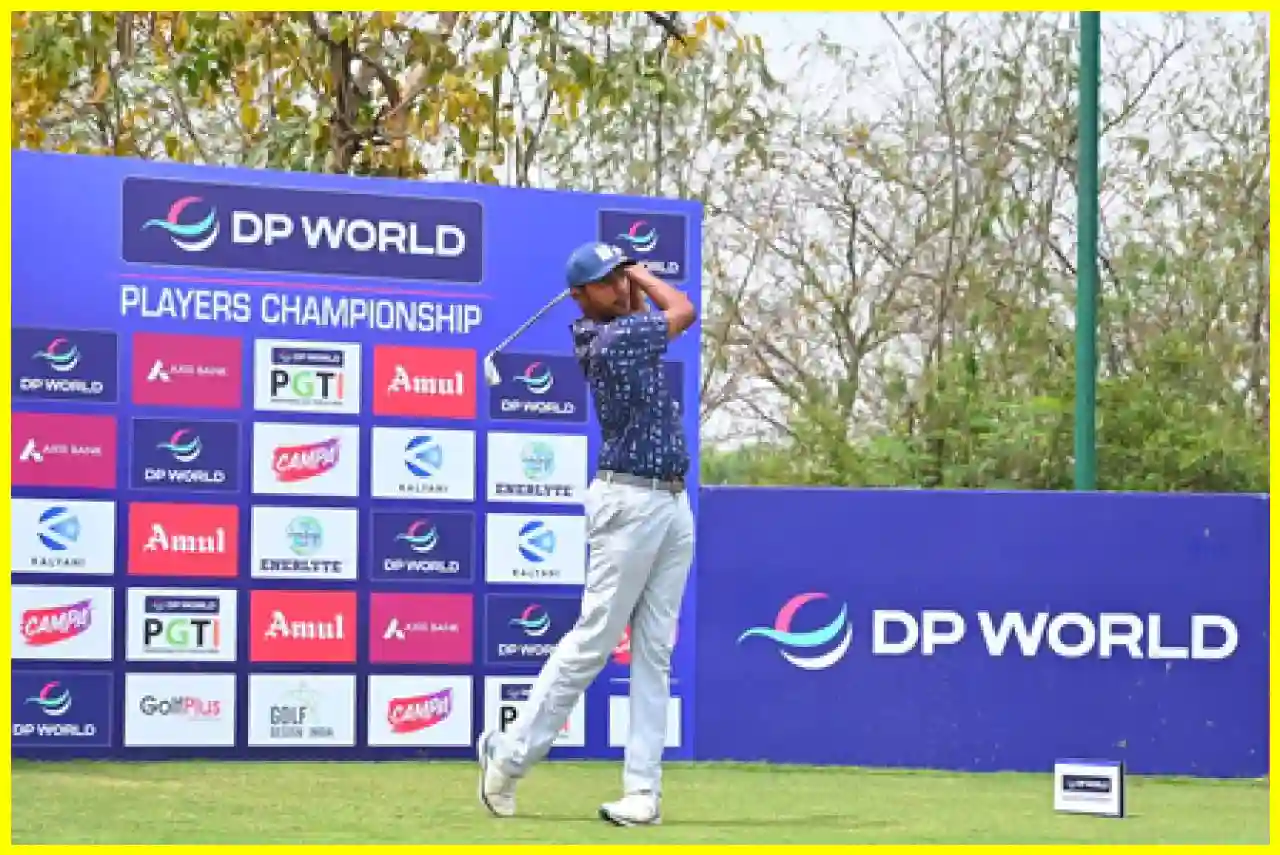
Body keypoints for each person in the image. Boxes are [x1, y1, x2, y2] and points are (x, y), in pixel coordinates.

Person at [477, 241, 698, 827]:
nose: (620, 287)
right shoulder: (609, 340)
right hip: (629, 503)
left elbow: (654, 314)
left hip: (672, 502)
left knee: (654, 649)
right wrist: (642, 271)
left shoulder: (625, 328)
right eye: (608, 281)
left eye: (620, 277)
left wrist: (626, 277)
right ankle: (509, 756)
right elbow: (683, 309)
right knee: (595, 640)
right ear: (579, 296)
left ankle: (642, 792)